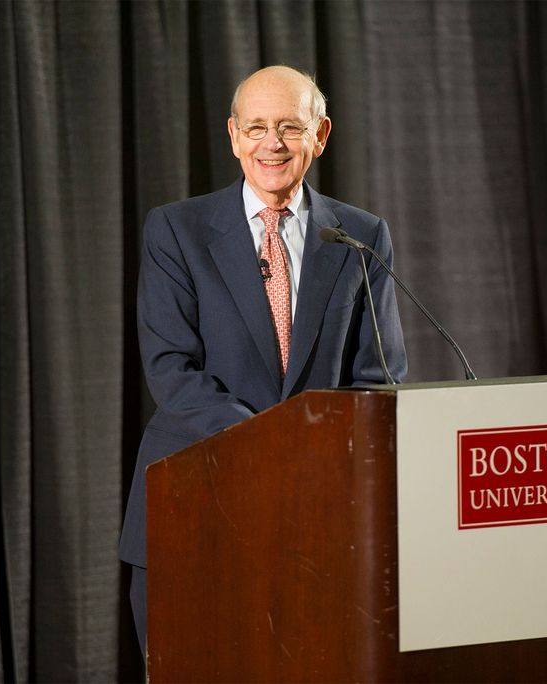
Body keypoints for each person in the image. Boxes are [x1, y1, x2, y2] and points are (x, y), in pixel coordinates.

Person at [118, 65, 407, 654]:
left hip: (320, 518)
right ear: (232, 136)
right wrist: (272, 449)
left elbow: (379, 377)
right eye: (255, 128)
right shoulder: (177, 230)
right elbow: (172, 369)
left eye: (289, 128)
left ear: (320, 135)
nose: (271, 143)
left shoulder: (359, 235)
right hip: (197, 501)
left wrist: (310, 463)